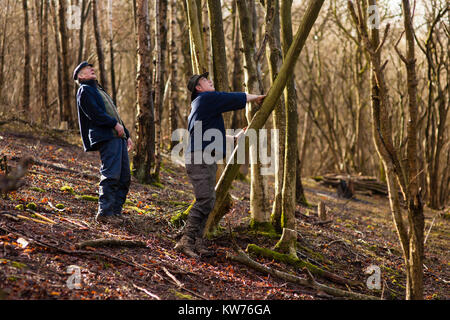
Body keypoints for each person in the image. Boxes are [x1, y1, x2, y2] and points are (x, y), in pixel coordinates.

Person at [174, 72, 265, 258]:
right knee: (205, 200)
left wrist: (235, 137)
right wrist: (254, 98)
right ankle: (185, 239)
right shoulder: (205, 98)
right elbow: (230, 98)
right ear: (199, 88)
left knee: (210, 201)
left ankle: (198, 242)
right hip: (199, 159)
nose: (211, 81)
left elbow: (209, 134)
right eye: (206, 80)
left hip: (204, 158)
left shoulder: (202, 106)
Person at [73, 61, 133, 224]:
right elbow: (95, 114)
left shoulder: (99, 90)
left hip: (117, 137)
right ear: (81, 76)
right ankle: (105, 213)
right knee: (111, 174)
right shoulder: (84, 90)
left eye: (92, 68)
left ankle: (115, 212)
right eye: (87, 69)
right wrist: (114, 125)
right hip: (107, 136)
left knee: (125, 177)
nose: (92, 69)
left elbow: (114, 114)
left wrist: (126, 135)